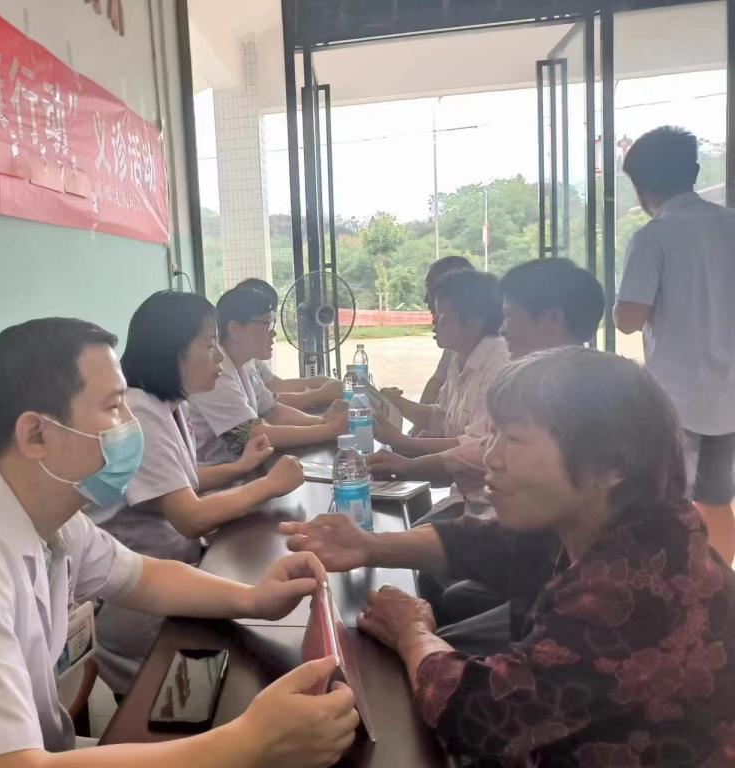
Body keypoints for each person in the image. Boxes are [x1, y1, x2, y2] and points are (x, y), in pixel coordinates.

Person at [0, 318, 359, 768]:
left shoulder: (39, 506)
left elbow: (140, 576)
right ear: (36, 434)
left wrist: (252, 599)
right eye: (113, 407)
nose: (130, 425)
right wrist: (247, 743)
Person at [284, 348, 735, 766]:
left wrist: (412, 632)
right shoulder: (613, 521)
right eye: (493, 435)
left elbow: (478, 715)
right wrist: (367, 545)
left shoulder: (633, 589)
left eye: (513, 439)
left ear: (609, 464)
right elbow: (489, 545)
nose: (490, 457)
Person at [89, 291, 306, 694]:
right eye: (209, 344)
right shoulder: (140, 411)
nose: (219, 356)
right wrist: (267, 485)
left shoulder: (169, 403)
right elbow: (189, 517)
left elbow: (178, 479)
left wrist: (240, 468)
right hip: (143, 602)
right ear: (173, 351)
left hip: (171, 574)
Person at [368, 258, 605, 514]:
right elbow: (472, 440)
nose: (502, 329)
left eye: (510, 316)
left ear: (552, 319)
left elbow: (481, 451)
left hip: (496, 517)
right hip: (482, 512)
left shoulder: (565, 392)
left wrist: (408, 452)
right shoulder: (545, 378)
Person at [615, 125, 735, 567]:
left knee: (667, 506)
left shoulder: (653, 237)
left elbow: (628, 320)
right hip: (730, 397)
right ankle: (719, 587)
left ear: (640, 186)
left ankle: (675, 588)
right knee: (717, 501)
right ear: (695, 172)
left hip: (674, 401)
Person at [189, 286, 348, 465]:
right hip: (218, 473)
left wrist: (322, 422)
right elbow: (253, 435)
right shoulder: (216, 373)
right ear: (235, 329)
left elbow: (273, 411)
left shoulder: (245, 364)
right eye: (267, 323)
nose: (273, 332)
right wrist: (329, 430)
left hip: (243, 467)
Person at [374, 269, 509, 456]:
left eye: (442, 315)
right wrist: (397, 403)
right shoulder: (457, 355)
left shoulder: (500, 366)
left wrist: (406, 443)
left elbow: (478, 447)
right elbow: (441, 419)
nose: (434, 322)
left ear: (473, 322)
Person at [233, 278, 343, 410]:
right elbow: (271, 407)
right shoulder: (227, 369)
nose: (273, 332)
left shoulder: (249, 361)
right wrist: (322, 395)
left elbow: (276, 387)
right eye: (266, 322)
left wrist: (323, 381)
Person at [417, 256, 475, 407]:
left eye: (431, 290)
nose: (425, 299)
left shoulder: (493, 356)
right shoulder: (456, 342)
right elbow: (437, 381)